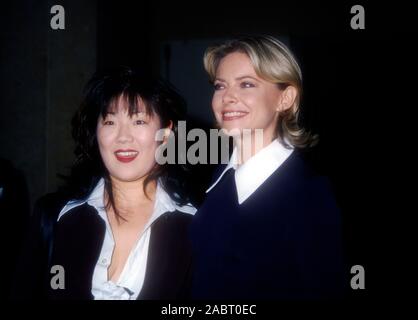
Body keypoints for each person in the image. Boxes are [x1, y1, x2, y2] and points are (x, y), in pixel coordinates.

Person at [12, 67, 196, 300]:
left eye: (138, 121)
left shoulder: (196, 227)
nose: (123, 137)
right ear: (96, 131)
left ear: (166, 134)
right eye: (110, 122)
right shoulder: (52, 217)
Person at [190, 35, 345, 299]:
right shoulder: (215, 179)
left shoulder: (311, 195)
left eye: (246, 84)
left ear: (285, 99)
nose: (227, 98)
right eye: (220, 86)